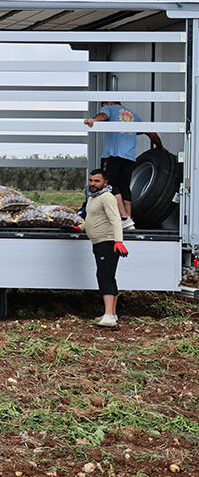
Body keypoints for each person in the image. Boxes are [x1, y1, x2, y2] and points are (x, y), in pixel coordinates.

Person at [82, 100, 162, 230]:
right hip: (129, 158)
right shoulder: (132, 115)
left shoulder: (111, 109)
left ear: (109, 103)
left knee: (109, 185)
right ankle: (129, 222)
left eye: (103, 105)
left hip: (113, 155)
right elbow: (150, 132)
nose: (103, 108)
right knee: (124, 187)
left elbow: (103, 116)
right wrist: (160, 146)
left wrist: (94, 120)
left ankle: (123, 217)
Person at [84, 169, 128, 328]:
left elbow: (116, 220)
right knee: (108, 275)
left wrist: (118, 241)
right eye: (91, 180)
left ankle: (109, 315)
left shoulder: (107, 197)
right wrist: (81, 227)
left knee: (104, 276)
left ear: (105, 183)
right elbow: (93, 219)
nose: (93, 184)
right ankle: (112, 314)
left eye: (97, 181)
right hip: (98, 243)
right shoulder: (92, 198)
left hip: (108, 243)